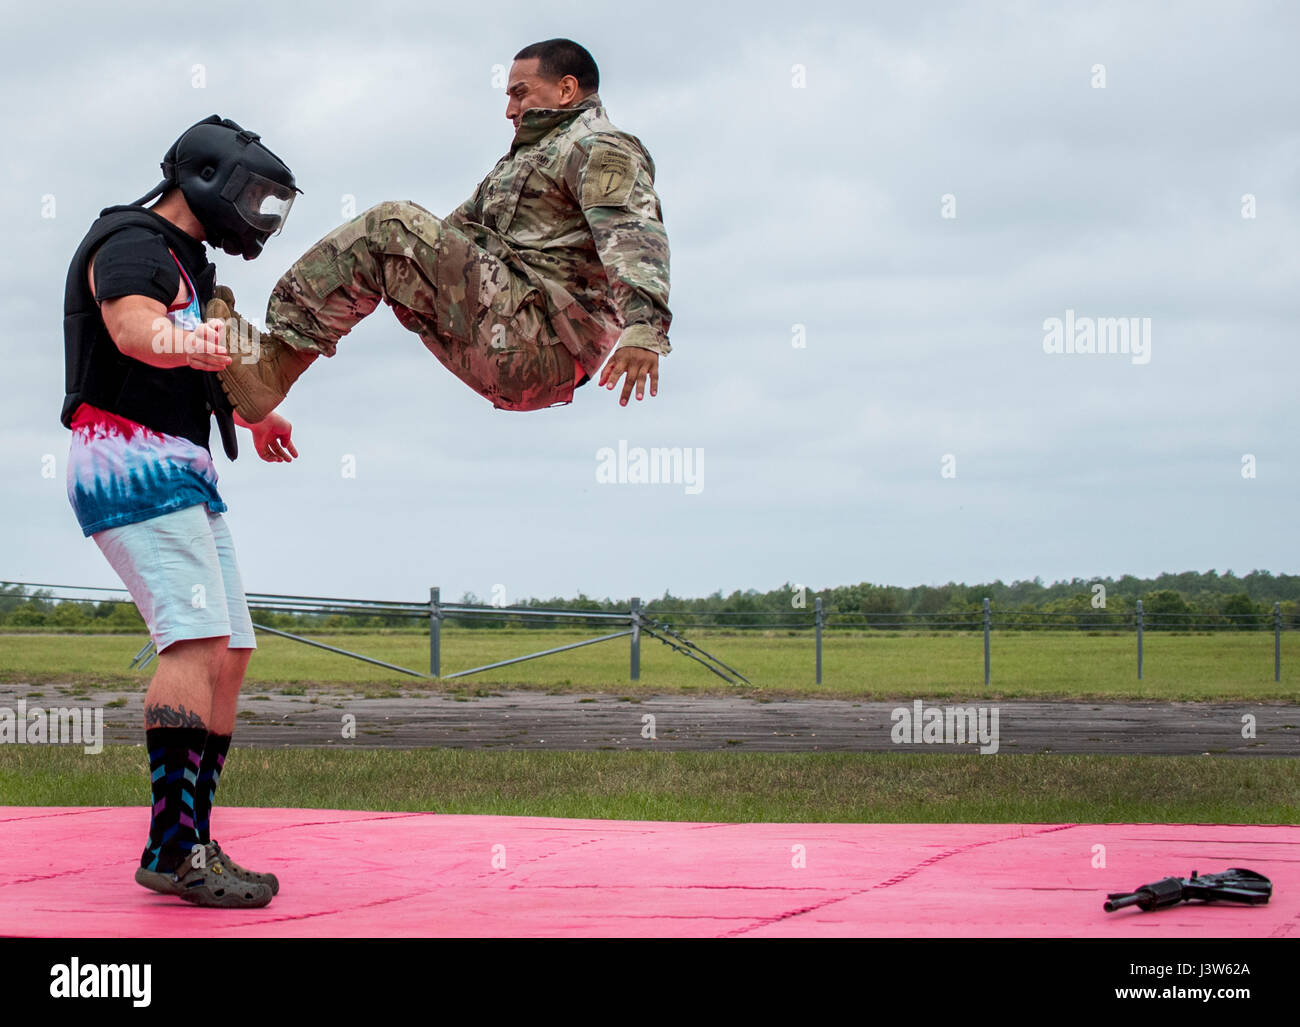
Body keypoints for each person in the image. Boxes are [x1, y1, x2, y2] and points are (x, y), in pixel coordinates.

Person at [61, 115, 300, 908]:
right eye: (255, 196)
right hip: (130, 457)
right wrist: (182, 340)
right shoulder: (132, 240)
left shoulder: (187, 263)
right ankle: (173, 850)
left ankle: (192, 835)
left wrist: (254, 415)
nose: (258, 214)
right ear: (207, 176)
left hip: (179, 463)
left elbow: (195, 359)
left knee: (229, 648)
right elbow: (134, 330)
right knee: (194, 639)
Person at [213, 38, 671, 422]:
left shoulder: (599, 147)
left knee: (389, 227)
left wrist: (644, 328)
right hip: (511, 336)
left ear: (567, 89)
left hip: (541, 340)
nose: (510, 110)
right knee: (393, 240)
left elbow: (633, 232)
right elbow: (454, 235)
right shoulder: (525, 160)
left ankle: (273, 368)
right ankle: (265, 362)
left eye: (520, 92)